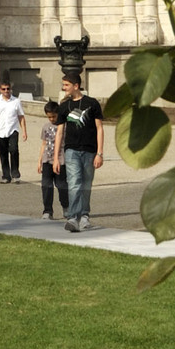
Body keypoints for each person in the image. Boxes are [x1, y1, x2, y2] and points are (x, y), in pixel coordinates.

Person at [53, 73, 103, 232]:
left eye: (66, 85)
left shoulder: (92, 103)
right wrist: (56, 158)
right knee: (74, 183)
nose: (63, 88)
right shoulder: (63, 107)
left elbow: (99, 129)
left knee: (86, 184)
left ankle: (85, 216)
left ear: (76, 86)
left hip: (90, 150)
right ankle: (73, 218)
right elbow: (59, 133)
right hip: (71, 150)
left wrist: (100, 153)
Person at [0, 77, 24, 182]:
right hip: (1, 131)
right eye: (4, 89)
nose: (6, 91)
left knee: (14, 150)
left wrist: (24, 131)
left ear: (10, 89)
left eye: (8, 89)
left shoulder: (16, 101)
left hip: (13, 130)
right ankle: (6, 175)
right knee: (3, 154)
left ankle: (15, 174)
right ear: (0, 90)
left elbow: (21, 116)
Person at [37, 100, 67, 217]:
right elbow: (44, 144)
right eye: (49, 117)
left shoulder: (64, 126)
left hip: (61, 160)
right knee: (46, 186)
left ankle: (66, 206)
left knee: (62, 185)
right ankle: (47, 210)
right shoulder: (46, 127)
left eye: (54, 116)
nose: (52, 119)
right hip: (47, 160)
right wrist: (40, 160)